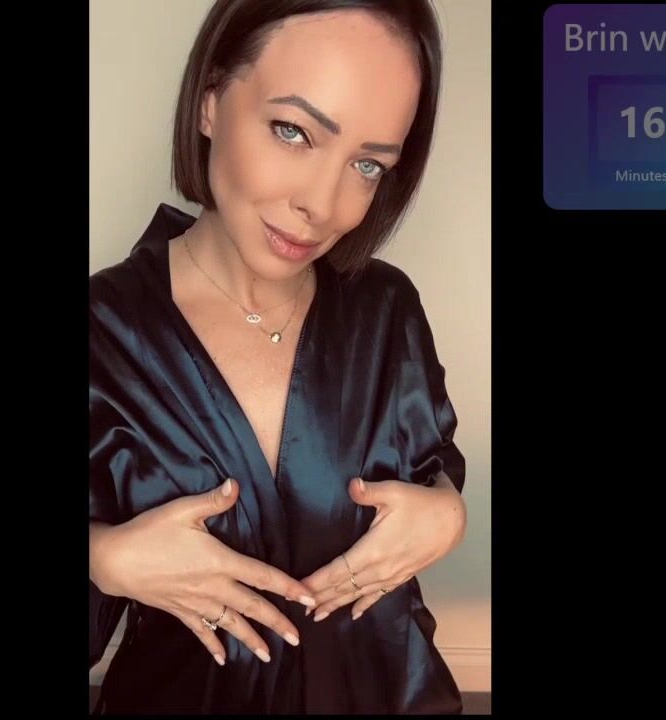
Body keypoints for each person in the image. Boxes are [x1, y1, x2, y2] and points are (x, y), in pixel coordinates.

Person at [89, 0, 468, 713]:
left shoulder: (385, 308)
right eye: (293, 131)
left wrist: (448, 513)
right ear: (210, 103)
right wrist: (102, 559)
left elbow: (431, 469)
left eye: (368, 164)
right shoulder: (102, 332)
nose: (323, 205)